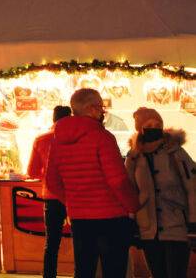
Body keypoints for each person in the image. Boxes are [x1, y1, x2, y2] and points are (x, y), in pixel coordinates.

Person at [46, 88, 138, 278]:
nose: (102, 111)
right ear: (91, 109)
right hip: (111, 216)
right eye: (100, 106)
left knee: (84, 269)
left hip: (80, 218)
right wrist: (133, 206)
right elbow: (118, 180)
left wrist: (72, 201)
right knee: (113, 270)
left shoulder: (58, 141)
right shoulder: (102, 137)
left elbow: (52, 181)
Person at [125, 106, 196, 278]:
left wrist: (193, 224)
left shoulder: (176, 153)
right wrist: (131, 222)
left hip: (176, 227)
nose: (155, 127)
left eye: (158, 123)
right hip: (148, 230)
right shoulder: (134, 156)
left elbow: (192, 188)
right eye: (149, 123)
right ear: (140, 128)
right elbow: (129, 190)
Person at [26, 105, 72, 278]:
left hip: (51, 196)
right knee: (82, 241)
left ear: (53, 119)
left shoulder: (41, 139)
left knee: (52, 242)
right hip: (76, 194)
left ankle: (49, 275)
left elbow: (32, 171)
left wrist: (47, 174)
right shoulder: (75, 138)